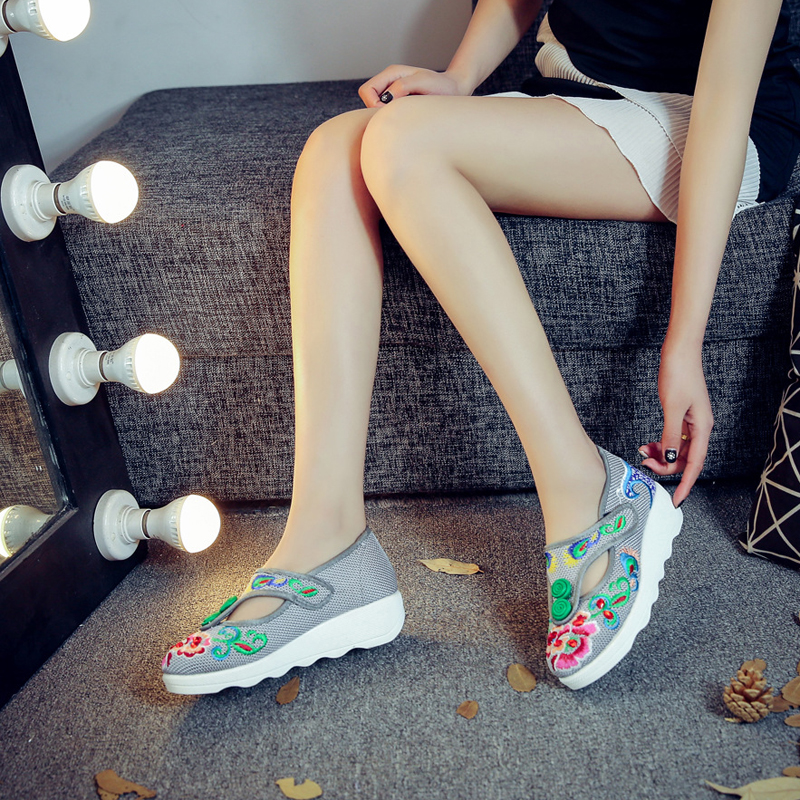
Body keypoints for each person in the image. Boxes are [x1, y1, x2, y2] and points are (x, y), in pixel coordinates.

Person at [161, 0, 800, 694]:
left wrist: (685, 341)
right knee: (333, 151)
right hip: (576, 93)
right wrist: (460, 77)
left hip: (707, 120)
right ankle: (325, 540)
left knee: (404, 141)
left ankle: (587, 486)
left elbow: (724, 103)